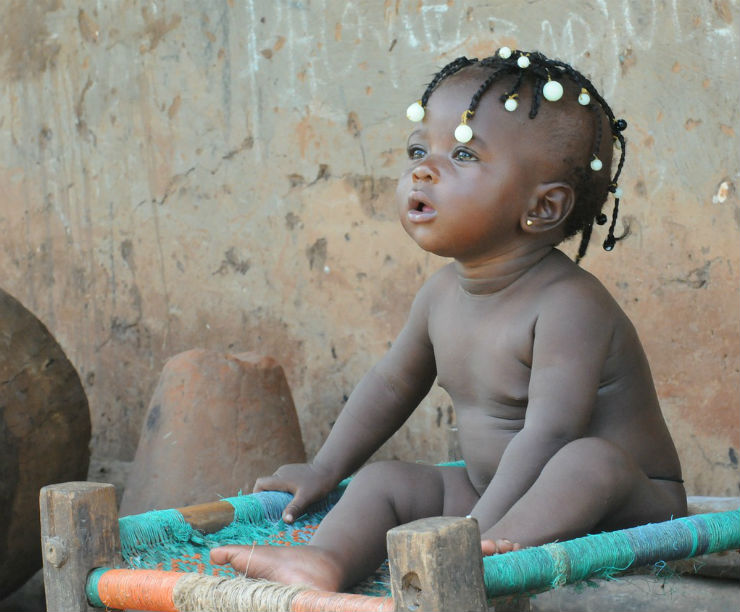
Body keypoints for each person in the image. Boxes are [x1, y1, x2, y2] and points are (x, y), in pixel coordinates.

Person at [210, 48, 686, 592]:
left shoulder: (570, 305)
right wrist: (325, 467)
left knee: (588, 461)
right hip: (496, 500)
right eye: (419, 149)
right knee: (384, 479)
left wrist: (470, 530)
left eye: (462, 156)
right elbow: (390, 384)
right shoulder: (439, 295)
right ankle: (324, 560)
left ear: (543, 208)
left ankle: (485, 558)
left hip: (627, 504)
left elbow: (551, 434)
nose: (422, 168)